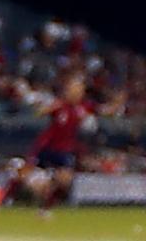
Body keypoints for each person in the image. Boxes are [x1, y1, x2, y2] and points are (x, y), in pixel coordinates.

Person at [21, 76, 94, 218]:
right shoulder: (59, 106)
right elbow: (40, 112)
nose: (77, 93)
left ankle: (46, 208)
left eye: (80, 90)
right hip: (46, 148)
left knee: (65, 180)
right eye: (74, 90)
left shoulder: (81, 108)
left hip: (64, 151)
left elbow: (100, 111)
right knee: (35, 183)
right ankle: (17, 198)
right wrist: (43, 108)